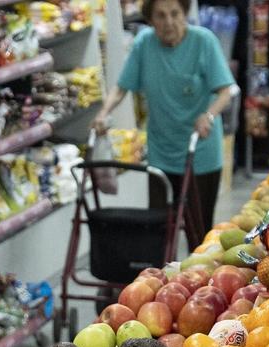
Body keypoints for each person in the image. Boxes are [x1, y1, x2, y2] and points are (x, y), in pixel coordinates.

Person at [94, 0, 238, 240]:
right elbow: (121, 88)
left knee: (199, 231)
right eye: (160, 16)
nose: (168, 22)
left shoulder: (204, 41)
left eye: (175, 14)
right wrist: (103, 112)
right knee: (158, 230)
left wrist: (208, 115)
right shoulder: (144, 44)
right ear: (150, 21)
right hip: (162, 151)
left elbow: (226, 90)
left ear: (185, 14)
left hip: (199, 150)